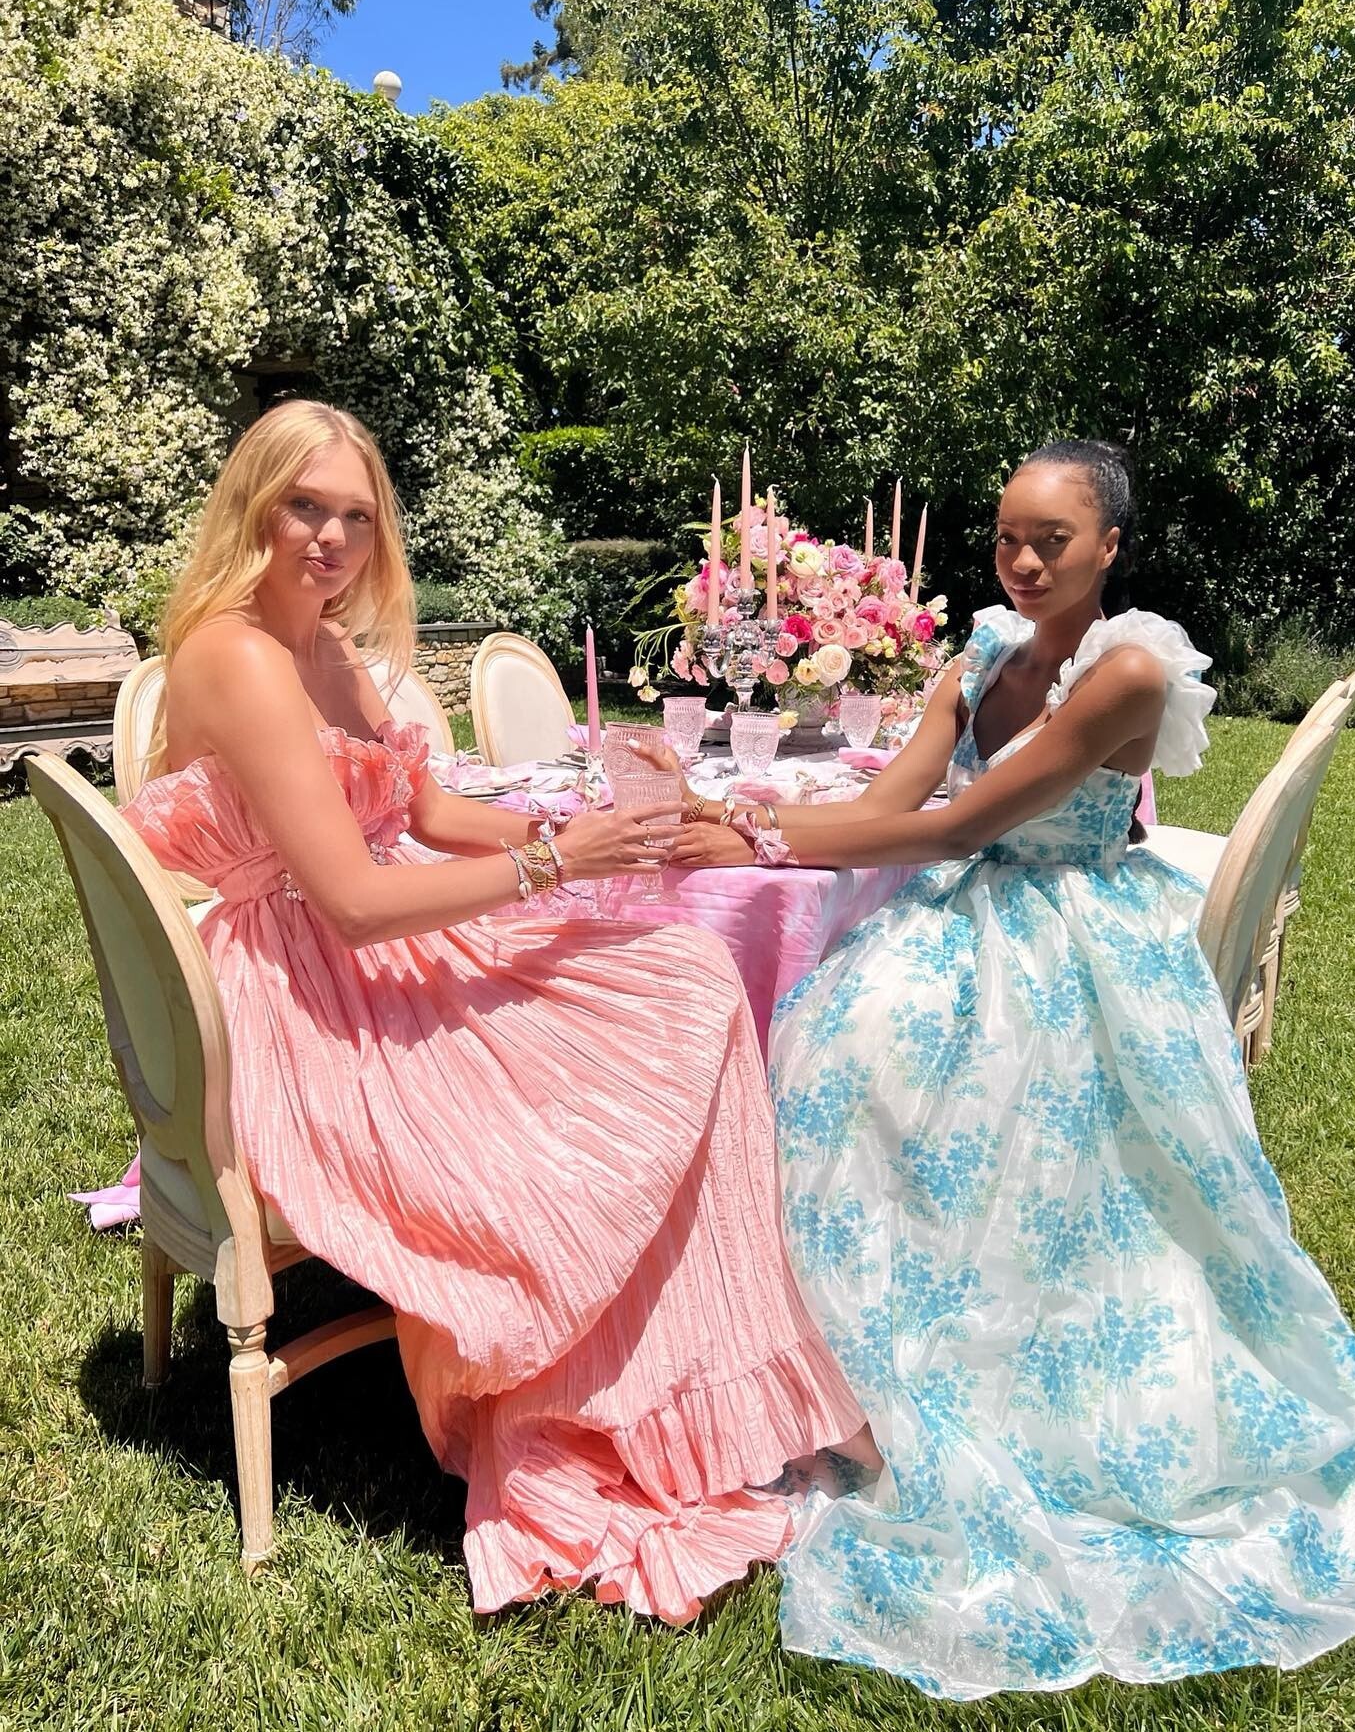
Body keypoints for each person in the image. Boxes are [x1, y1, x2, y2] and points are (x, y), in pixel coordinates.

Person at [665, 440, 1355, 1698]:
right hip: (961, 912)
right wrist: (760, 822)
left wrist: (752, 829)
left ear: (1110, 546)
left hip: (1072, 932)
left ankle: (990, 1370)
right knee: (844, 1046)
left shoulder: (1131, 668)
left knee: (902, 1058)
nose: (1021, 561)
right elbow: (903, 790)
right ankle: (826, 1367)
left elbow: (960, 825)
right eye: (1006, 537)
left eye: (1052, 540)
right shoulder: (981, 649)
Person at [120, 398, 874, 1624]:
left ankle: (694, 1376)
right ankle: (587, 1395)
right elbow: (354, 901)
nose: (331, 537)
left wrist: (577, 824)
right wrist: (556, 865)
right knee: (577, 1096)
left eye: (356, 515)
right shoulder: (237, 656)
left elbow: (421, 813)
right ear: (254, 501)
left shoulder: (323, 645)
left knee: (684, 982)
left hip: (381, 957)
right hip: (311, 1006)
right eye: (306, 506)